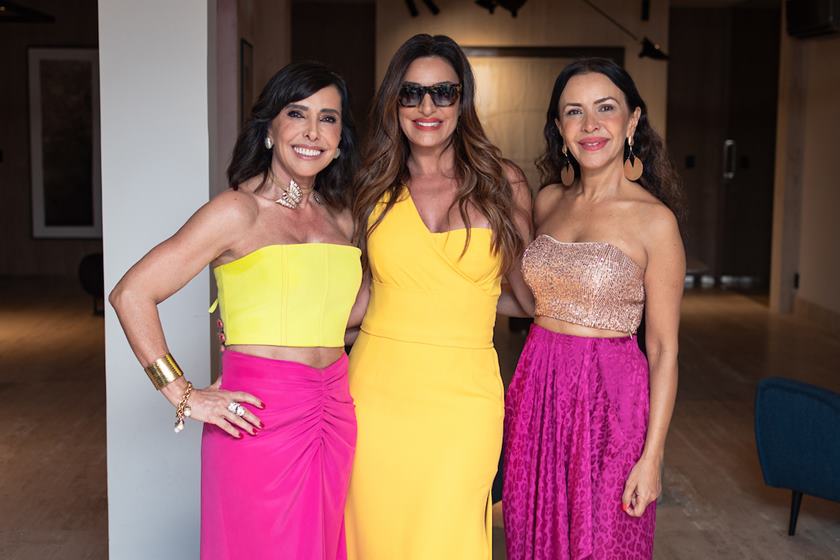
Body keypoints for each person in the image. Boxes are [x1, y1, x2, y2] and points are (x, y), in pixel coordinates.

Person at [109, 61, 362, 560]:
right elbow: (131, 293)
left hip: (333, 410)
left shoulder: (343, 218)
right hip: (258, 417)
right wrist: (183, 395)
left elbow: (344, 314)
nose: (313, 132)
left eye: (328, 118)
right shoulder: (236, 211)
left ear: (339, 139)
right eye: (298, 113)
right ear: (270, 128)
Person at [343, 34, 533, 559]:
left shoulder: (503, 183)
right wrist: (269, 330)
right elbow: (356, 294)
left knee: (449, 536)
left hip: (465, 399)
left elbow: (529, 299)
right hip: (376, 394)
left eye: (443, 93)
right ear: (394, 103)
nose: (427, 108)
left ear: (461, 101)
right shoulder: (368, 185)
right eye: (411, 93)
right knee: (373, 534)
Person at [502, 58, 685, 560]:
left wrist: (653, 458)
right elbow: (524, 296)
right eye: (574, 112)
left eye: (606, 109)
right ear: (559, 129)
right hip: (537, 388)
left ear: (632, 121)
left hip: (610, 402)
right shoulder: (547, 201)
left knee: (602, 542)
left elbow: (665, 349)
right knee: (530, 532)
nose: (590, 125)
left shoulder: (655, 222)